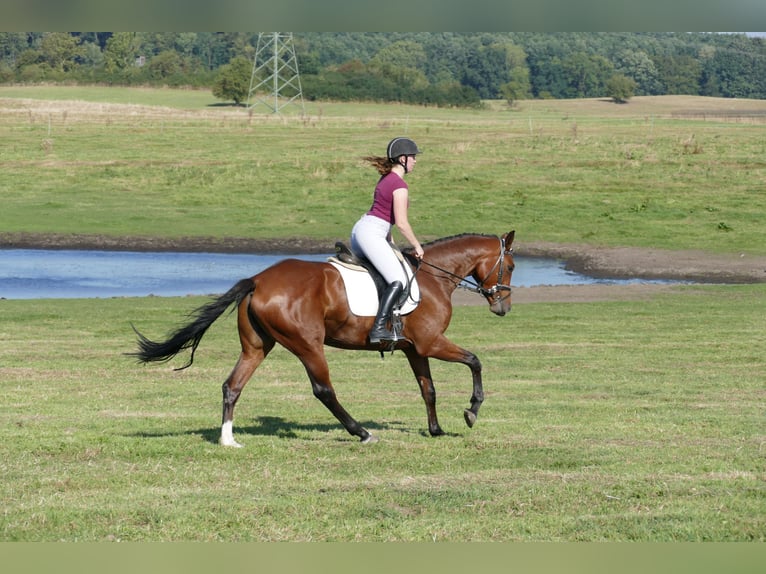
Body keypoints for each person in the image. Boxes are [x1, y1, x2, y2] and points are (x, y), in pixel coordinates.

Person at [350, 136, 425, 343]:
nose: (415, 161)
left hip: (363, 230)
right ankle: (378, 328)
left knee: (386, 271)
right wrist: (417, 246)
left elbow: (386, 219)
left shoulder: (385, 178)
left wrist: (392, 246)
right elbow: (401, 223)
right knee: (399, 280)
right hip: (372, 233)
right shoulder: (399, 185)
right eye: (413, 157)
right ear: (403, 159)